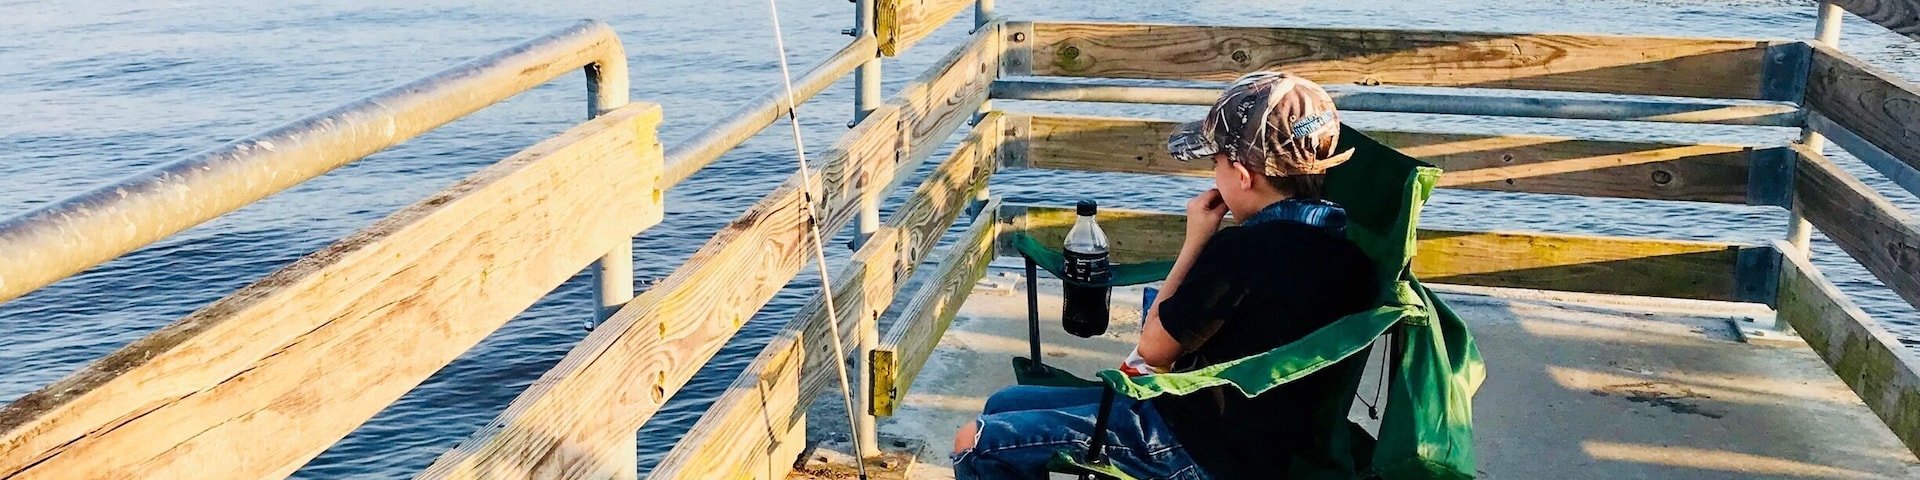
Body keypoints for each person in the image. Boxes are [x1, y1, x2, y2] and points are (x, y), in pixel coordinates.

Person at [949, 72, 1383, 480]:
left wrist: (1197, 240)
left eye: (1216, 161)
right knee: (1005, 403)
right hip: (1260, 439)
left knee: (974, 442)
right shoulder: (1352, 258)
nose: (1213, 173)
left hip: (1192, 445)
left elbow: (1152, 349)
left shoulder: (1244, 252)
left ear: (1243, 176)